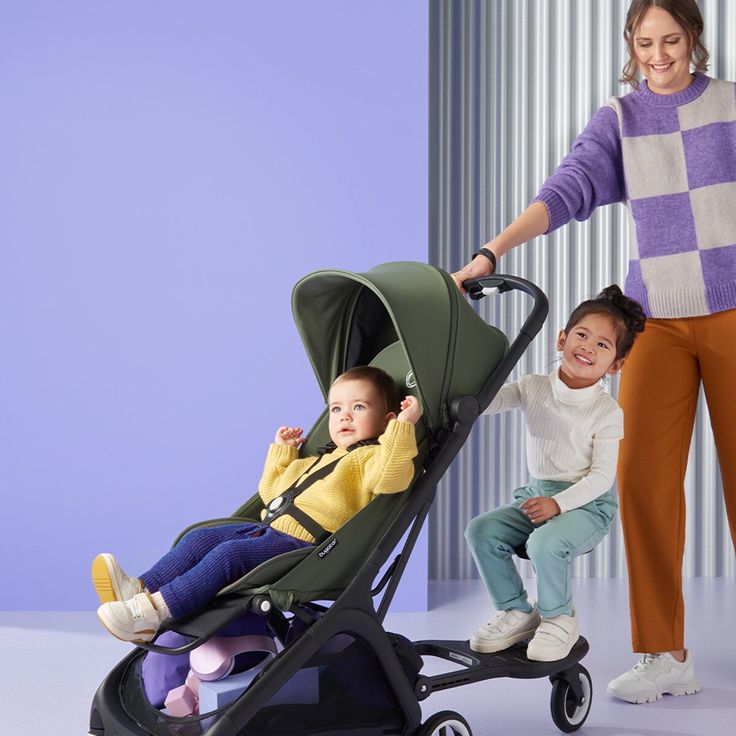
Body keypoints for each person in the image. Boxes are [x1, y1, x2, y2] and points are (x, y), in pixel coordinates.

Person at [453, 0, 734, 703]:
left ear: (694, 39)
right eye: (646, 42)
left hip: (734, 311)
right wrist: (493, 252)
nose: (659, 54)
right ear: (631, 45)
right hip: (655, 326)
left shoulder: (730, 107)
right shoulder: (620, 120)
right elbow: (567, 188)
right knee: (638, 484)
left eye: (671, 39)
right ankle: (664, 654)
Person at [90, 366, 422, 643]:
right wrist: (283, 451)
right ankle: (139, 588)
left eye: (358, 408)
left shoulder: (373, 458)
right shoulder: (321, 458)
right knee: (200, 539)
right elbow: (271, 492)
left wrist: (403, 428)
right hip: (268, 529)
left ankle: (151, 615)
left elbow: (392, 478)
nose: (344, 417)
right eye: (336, 409)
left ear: (386, 419)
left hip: (302, 546)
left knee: (228, 556)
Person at [465, 286, 645, 662]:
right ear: (562, 338)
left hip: (586, 505)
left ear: (616, 365)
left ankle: (558, 618)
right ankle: (517, 609)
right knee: (481, 530)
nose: (588, 347)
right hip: (536, 496)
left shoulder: (607, 412)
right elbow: (488, 403)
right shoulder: (534, 387)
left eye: (603, 345)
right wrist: (463, 387)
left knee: (545, 544)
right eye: (581, 335)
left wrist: (558, 505)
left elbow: (600, 479)